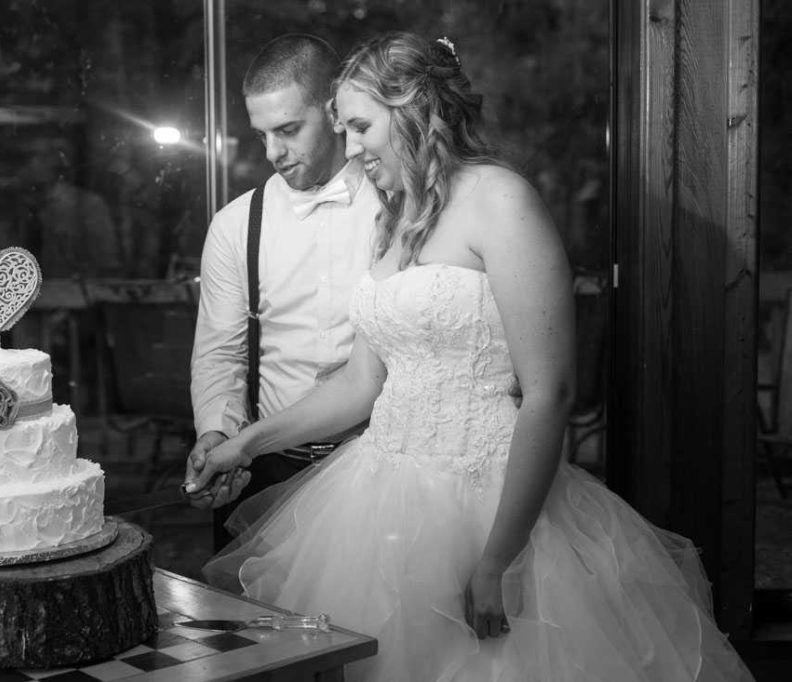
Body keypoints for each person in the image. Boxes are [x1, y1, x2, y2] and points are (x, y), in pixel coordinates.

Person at [185, 32, 754, 681]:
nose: (350, 147)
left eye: (361, 126)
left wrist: (497, 559)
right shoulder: (394, 218)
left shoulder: (501, 200)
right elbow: (359, 383)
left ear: (414, 109)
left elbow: (550, 393)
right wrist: (243, 443)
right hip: (377, 496)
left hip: (487, 500)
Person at [188, 34, 382, 550]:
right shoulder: (235, 226)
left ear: (335, 110)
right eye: (261, 135)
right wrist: (217, 433)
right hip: (268, 472)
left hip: (381, 468)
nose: (274, 153)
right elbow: (220, 354)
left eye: (288, 130)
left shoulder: (396, 208)